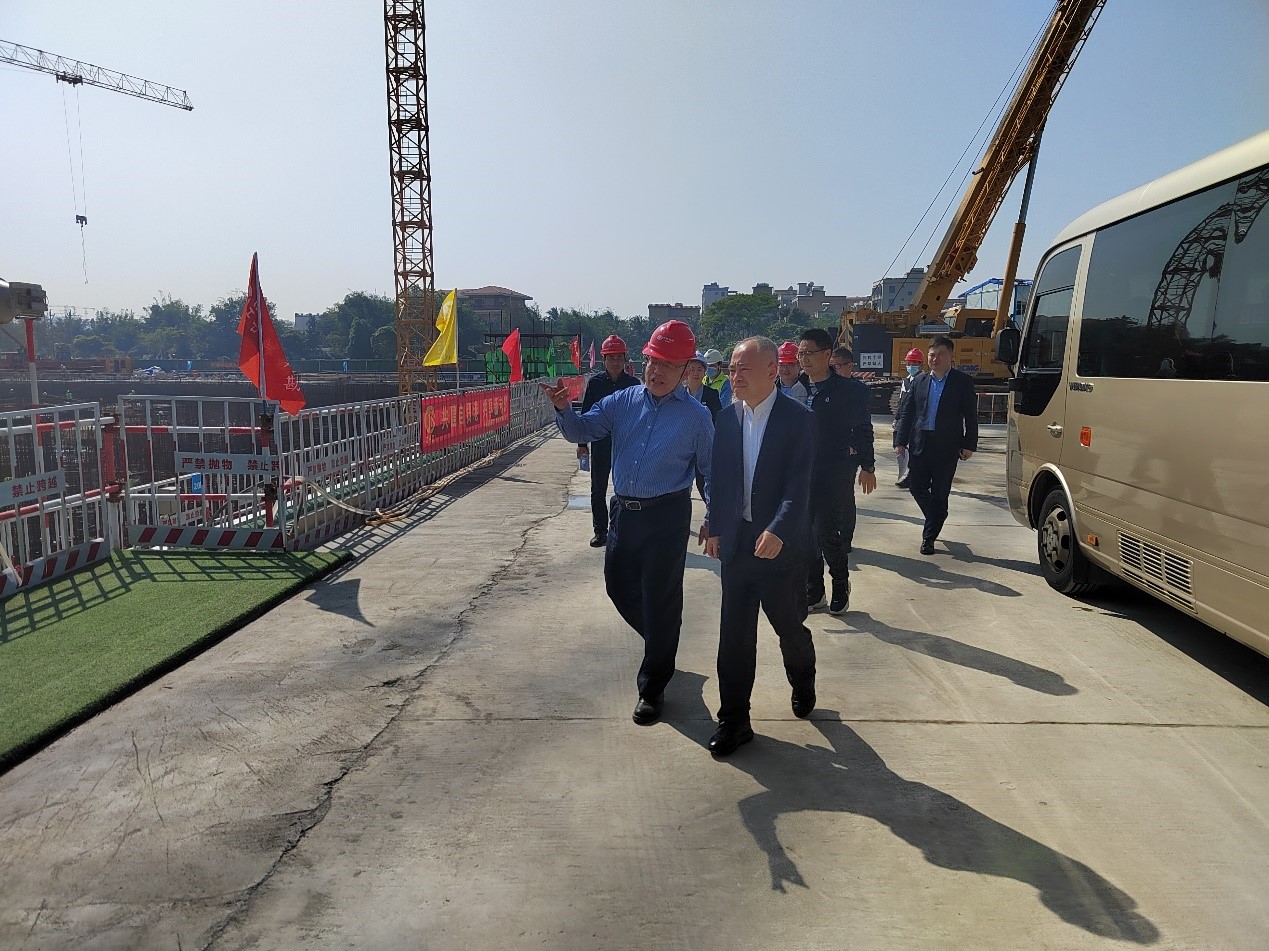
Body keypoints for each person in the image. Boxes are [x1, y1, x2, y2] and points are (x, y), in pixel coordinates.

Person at [541, 320, 714, 726]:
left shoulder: (697, 417)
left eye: (668, 365)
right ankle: (662, 646)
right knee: (618, 586)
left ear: (686, 368)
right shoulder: (622, 402)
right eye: (653, 361)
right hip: (624, 512)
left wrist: (715, 517)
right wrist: (564, 408)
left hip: (667, 516)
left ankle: (652, 687)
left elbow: (709, 472)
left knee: (660, 598)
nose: (657, 371)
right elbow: (584, 429)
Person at [700, 337, 816, 757]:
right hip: (737, 545)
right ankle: (734, 720)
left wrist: (779, 529)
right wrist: (714, 524)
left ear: (771, 371)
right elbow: (719, 479)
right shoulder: (727, 418)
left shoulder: (798, 419)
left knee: (789, 627)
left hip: (780, 547)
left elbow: (800, 485)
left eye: (743, 368)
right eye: (732, 369)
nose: (735, 376)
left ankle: (802, 675)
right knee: (734, 637)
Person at [796, 329, 876, 614]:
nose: (804, 359)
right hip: (800, 472)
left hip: (834, 471)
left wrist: (868, 466)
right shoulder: (796, 388)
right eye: (801, 353)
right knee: (804, 535)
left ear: (827, 355)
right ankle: (814, 590)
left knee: (827, 533)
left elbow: (863, 429)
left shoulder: (848, 391)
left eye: (809, 353)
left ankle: (840, 583)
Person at [893, 335, 978, 555]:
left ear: (951, 356)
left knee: (940, 493)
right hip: (921, 444)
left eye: (940, 354)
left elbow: (971, 416)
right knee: (916, 487)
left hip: (947, 447)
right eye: (932, 354)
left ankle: (928, 538)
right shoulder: (919, 381)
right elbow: (908, 413)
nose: (935, 358)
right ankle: (937, 515)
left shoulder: (962, 382)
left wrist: (969, 444)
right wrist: (900, 441)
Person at [577, 335, 640, 547]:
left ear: (625, 359)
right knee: (598, 489)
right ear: (603, 359)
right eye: (611, 357)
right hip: (601, 443)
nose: (615, 362)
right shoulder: (595, 384)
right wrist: (582, 444)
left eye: (619, 357)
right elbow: (586, 415)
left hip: (626, 445)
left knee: (628, 490)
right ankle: (600, 532)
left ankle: (624, 531)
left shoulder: (633, 384)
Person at [684, 350, 722, 500]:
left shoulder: (711, 394)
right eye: (692, 369)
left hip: (704, 446)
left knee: (705, 484)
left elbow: (717, 420)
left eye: (699, 369)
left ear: (704, 371)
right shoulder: (679, 394)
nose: (695, 373)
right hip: (684, 447)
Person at [894, 347, 925, 488]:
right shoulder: (906, 381)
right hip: (905, 421)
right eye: (909, 363)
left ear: (921, 364)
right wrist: (897, 418)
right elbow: (902, 402)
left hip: (917, 421)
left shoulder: (923, 381)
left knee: (915, 450)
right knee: (902, 448)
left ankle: (913, 477)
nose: (911, 366)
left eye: (914, 363)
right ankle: (908, 474)